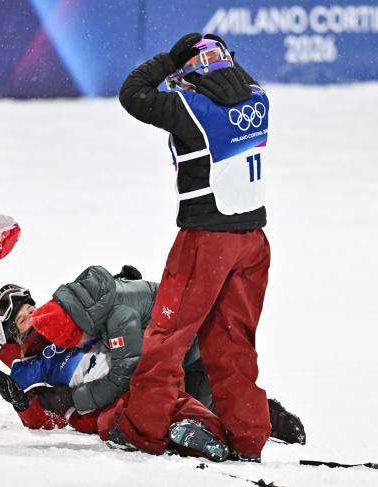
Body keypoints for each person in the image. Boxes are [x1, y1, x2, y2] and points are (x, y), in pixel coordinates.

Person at [100, 33, 273, 462]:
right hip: (253, 243)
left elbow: (132, 94)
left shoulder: (190, 110)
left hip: (205, 242)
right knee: (234, 342)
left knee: (167, 337)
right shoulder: (258, 98)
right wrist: (218, 54)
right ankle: (248, 435)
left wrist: (169, 59)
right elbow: (232, 77)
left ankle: (144, 428)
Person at [0, 267, 305, 460]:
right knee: (135, 414)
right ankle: (203, 429)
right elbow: (49, 416)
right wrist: (23, 405)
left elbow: (99, 307)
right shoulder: (36, 368)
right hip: (116, 394)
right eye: (22, 319)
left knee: (165, 394)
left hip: (143, 360)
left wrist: (126, 286)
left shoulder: (67, 319)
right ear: (13, 337)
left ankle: (258, 416)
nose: (33, 316)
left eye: (30, 308)